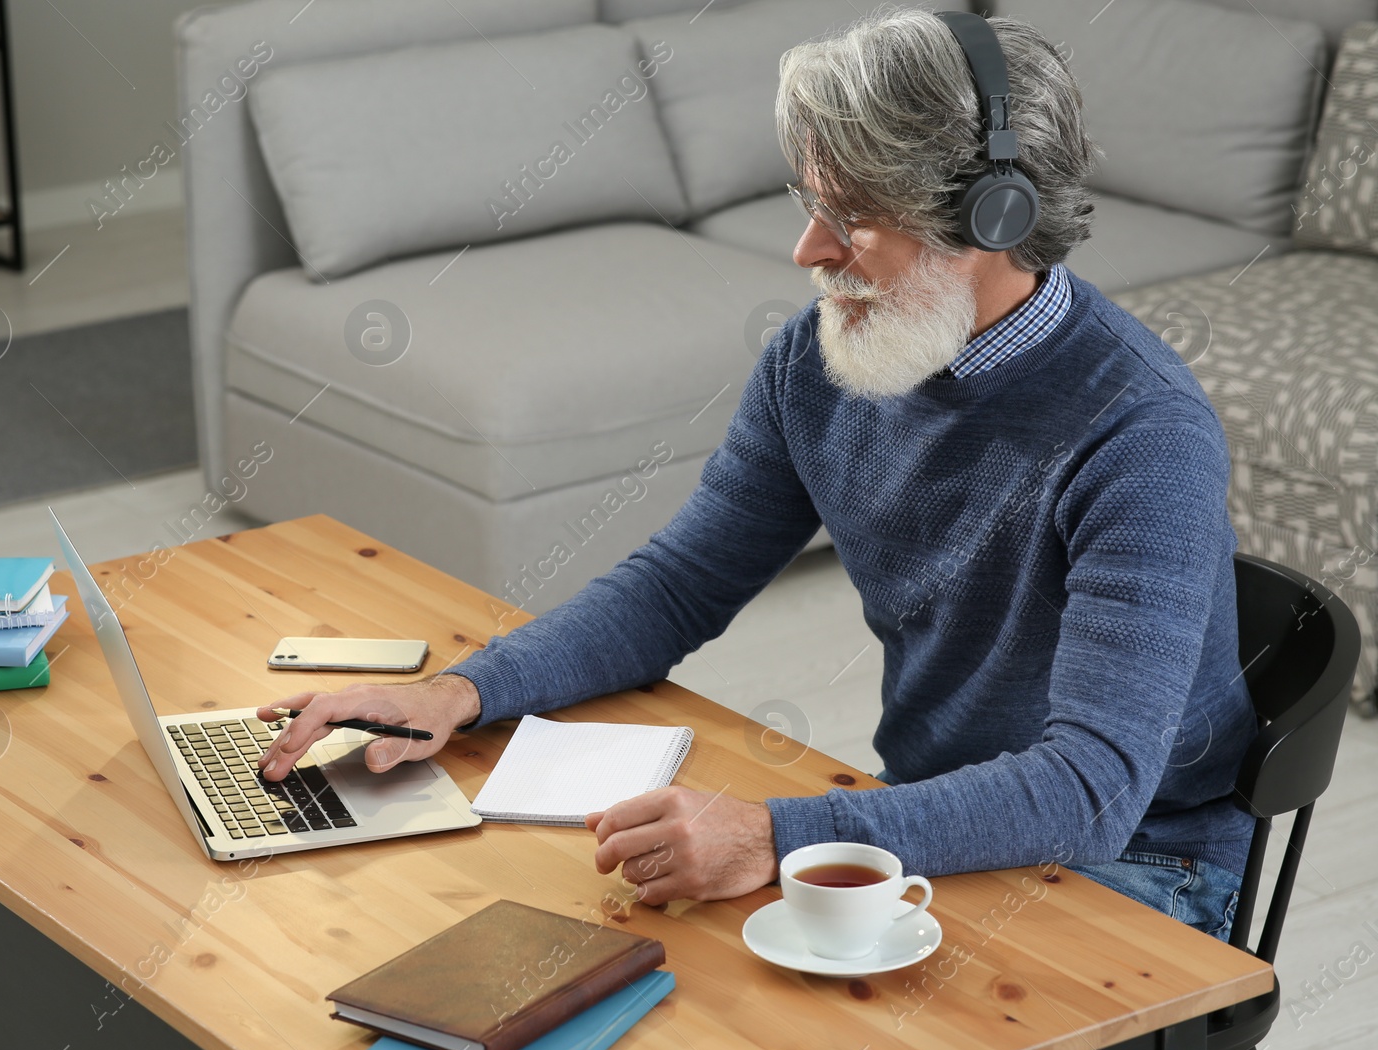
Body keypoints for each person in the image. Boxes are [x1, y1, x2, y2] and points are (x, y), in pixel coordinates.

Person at [256, 7, 1255, 941]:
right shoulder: (819, 362)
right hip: (939, 819)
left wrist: (776, 835)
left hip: (1134, 865)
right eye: (810, 203)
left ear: (992, 221)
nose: (806, 250)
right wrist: (461, 692)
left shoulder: (1141, 435)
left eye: (851, 217)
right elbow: (680, 584)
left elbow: (1089, 789)